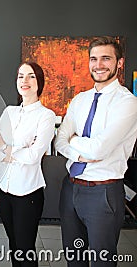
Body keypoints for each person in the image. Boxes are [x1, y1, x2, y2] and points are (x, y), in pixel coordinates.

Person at [55, 36, 137, 266]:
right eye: (93, 59)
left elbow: (99, 148)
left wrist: (74, 141)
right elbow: (59, 141)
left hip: (103, 193)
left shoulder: (127, 103)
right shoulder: (80, 99)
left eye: (106, 58)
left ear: (119, 63)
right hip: (70, 188)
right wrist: (80, 151)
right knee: (74, 258)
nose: (98, 64)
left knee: (102, 261)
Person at [0, 62, 55, 266]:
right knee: (14, 245)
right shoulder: (9, 112)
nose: (24, 81)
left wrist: (6, 149)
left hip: (27, 193)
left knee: (26, 249)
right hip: (3, 189)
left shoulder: (46, 116)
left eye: (31, 76)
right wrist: (13, 151)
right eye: (20, 76)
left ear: (39, 82)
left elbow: (34, 156)